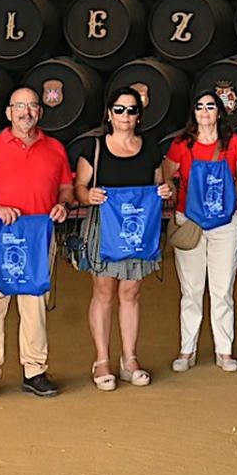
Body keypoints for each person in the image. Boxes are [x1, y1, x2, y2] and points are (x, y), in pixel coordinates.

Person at [0, 86, 71, 401]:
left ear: (40, 111)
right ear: (9, 112)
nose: (26, 112)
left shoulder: (55, 148)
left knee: (34, 303)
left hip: (38, 235)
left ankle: (34, 369)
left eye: (32, 106)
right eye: (20, 106)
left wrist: (63, 205)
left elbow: (65, 186)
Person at [70, 88, 172, 391]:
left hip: (138, 230)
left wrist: (167, 192)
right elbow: (79, 188)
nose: (125, 116)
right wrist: (88, 195)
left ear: (138, 116)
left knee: (131, 293)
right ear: (109, 114)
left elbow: (162, 186)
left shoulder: (152, 149)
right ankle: (102, 359)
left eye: (131, 110)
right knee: (103, 292)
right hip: (104, 226)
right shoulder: (94, 148)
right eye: (119, 109)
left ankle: (129, 359)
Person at [163, 90, 237, 372]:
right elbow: (167, 172)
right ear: (194, 112)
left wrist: (226, 204)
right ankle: (188, 349)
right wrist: (177, 198)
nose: (205, 111)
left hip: (224, 224)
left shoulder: (232, 142)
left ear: (219, 112)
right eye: (199, 107)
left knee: (222, 290)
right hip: (191, 221)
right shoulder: (182, 144)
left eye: (210, 106)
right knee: (191, 289)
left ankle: (225, 350)